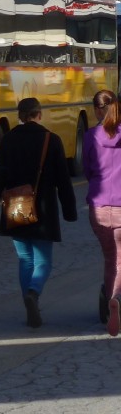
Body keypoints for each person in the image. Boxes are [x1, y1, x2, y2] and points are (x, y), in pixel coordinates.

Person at [0, 97, 77, 329]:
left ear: (20, 115)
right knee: (43, 261)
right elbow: (63, 180)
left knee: (25, 259)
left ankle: (29, 303)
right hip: (43, 209)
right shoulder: (51, 140)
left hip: (16, 207)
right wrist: (69, 211)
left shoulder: (9, 140)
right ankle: (33, 293)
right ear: (39, 114)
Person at [83, 88, 121, 336]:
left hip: (99, 206)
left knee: (110, 257)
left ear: (98, 109)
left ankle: (110, 299)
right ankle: (115, 297)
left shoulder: (90, 136)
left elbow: (87, 169)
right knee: (120, 258)